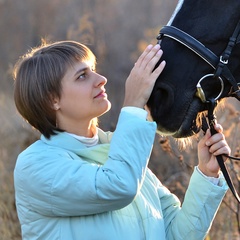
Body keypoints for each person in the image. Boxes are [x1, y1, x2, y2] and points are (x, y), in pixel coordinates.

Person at [13, 40, 230, 240]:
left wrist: (206, 174)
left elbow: (178, 234)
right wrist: (134, 105)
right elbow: (119, 186)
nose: (101, 80)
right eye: (82, 76)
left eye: (94, 71)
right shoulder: (35, 166)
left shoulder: (119, 152)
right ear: (53, 100)